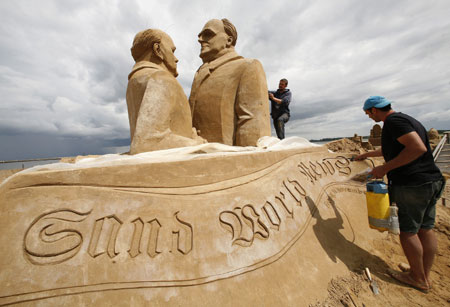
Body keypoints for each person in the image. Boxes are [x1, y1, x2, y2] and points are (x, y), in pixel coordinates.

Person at [355, 96, 445, 292]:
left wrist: (384, 169)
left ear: (374, 110)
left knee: (408, 232)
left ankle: (417, 277)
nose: (368, 117)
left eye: (367, 113)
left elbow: (417, 148)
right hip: (431, 180)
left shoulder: (393, 122)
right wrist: (366, 155)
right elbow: (394, 149)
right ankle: (420, 272)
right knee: (425, 229)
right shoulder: (408, 120)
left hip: (413, 184)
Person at [189, 18, 271, 146]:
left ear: (229, 40)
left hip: (228, 160)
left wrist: (245, 163)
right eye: (200, 35)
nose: (200, 39)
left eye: (208, 34)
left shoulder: (247, 66)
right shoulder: (199, 73)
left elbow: (253, 128)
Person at [126, 29, 204, 154]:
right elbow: (148, 142)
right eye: (172, 51)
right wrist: (196, 143)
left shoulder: (136, 79)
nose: (176, 58)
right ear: (158, 50)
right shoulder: (160, 78)